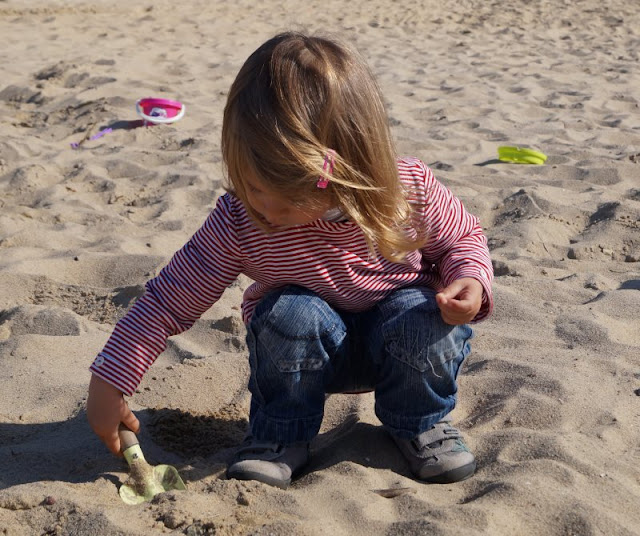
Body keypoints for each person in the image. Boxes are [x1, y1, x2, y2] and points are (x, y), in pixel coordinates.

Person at [87, 31, 494, 490]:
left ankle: (419, 423)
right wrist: (110, 380)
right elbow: (167, 302)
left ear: (343, 172)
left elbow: (464, 238)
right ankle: (281, 434)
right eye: (252, 187)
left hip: (402, 344)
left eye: (281, 199)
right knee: (289, 312)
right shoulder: (242, 218)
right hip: (300, 358)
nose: (264, 211)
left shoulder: (408, 192)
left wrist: (469, 281)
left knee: (423, 313)